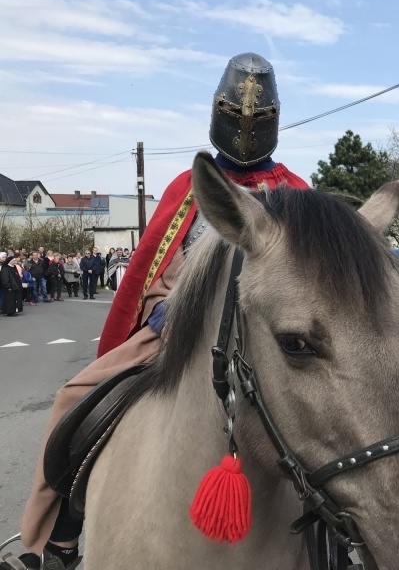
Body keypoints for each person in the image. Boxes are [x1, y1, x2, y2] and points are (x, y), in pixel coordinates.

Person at [5, 52, 308, 570]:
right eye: (236, 115)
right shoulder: (187, 188)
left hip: (270, 343)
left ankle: (340, 545)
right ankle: (59, 538)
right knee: (74, 398)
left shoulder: (296, 194)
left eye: (257, 118)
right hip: (181, 331)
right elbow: (155, 272)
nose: (245, 127)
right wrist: (169, 307)